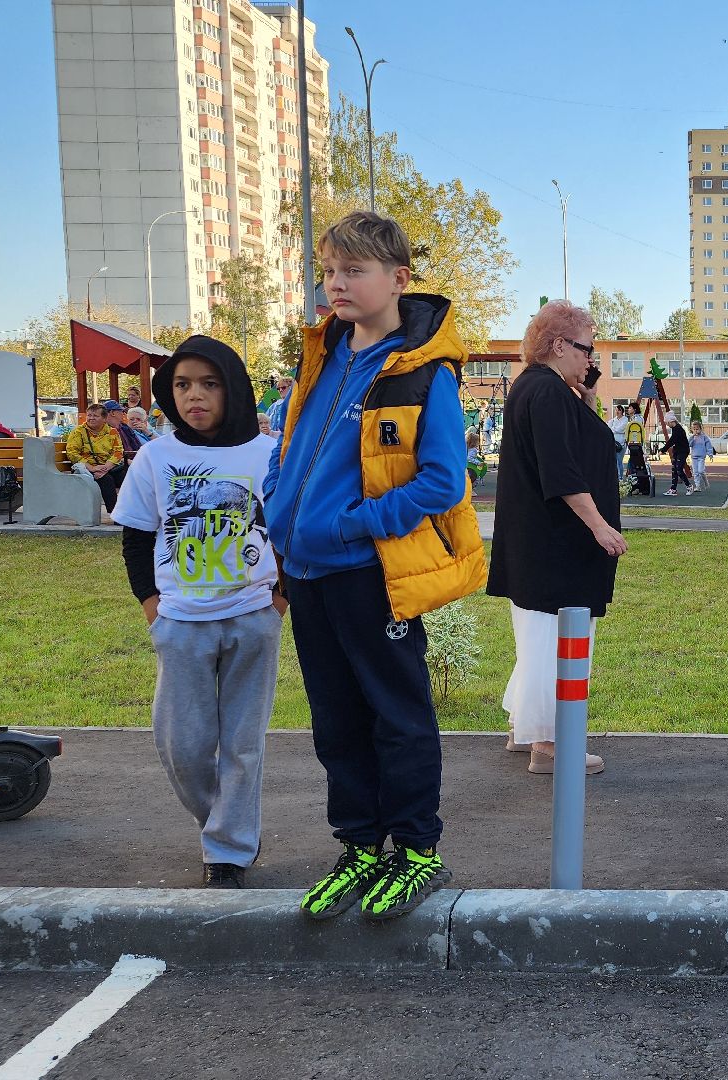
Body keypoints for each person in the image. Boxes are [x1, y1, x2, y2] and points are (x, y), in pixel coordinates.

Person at [265, 210, 485, 923]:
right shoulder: (323, 355)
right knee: (335, 719)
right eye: (329, 271)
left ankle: (416, 849)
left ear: (398, 279)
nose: (336, 284)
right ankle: (359, 844)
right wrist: (277, 502)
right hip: (307, 570)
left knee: (398, 715)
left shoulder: (422, 374)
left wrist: (354, 526)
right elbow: (292, 443)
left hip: (368, 572)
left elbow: (442, 481)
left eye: (353, 271)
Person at [116, 335, 282, 889]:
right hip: (180, 621)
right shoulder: (158, 457)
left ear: (233, 388)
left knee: (242, 743)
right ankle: (224, 823)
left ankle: (228, 850)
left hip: (252, 616)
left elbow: (291, 534)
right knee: (181, 746)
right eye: (183, 385)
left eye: (209, 384)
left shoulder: (267, 455)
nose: (195, 396)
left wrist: (279, 603)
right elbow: (137, 537)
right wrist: (151, 606)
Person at [491, 300, 623, 777]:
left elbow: (579, 440)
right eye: (587, 349)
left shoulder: (544, 389)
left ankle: (523, 726)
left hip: (540, 545)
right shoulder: (544, 393)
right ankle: (548, 743)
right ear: (559, 344)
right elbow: (562, 471)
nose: (592, 361)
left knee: (538, 638)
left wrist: (585, 395)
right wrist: (600, 526)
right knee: (557, 639)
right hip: (556, 548)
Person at [66, 403, 126, 510]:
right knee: (106, 480)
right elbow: (72, 453)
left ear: (104, 418)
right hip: (87, 468)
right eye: (89, 415)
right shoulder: (78, 432)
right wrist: (93, 468)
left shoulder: (112, 431)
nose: (91, 418)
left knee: (127, 476)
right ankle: (115, 513)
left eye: (95, 416)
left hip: (108, 467)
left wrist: (105, 468)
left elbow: (118, 451)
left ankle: (133, 512)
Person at [665, 412, 692, 495]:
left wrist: (663, 450)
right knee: (674, 469)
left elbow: (672, 440)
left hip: (683, 451)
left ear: (671, 421)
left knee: (679, 469)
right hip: (677, 450)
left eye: (667, 422)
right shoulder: (674, 428)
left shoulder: (678, 429)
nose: (666, 424)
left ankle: (689, 486)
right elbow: (673, 441)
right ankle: (673, 489)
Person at [688, 421, 715, 491]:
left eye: (697, 429)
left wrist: (710, 454)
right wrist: (692, 437)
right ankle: (697, 486)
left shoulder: (704, 437)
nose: (695, 431)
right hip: (694, 457)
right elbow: (689, 444)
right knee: (695, 472)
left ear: (700, 429)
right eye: (694, 429)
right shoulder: (692, 437)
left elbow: (708, 446)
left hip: (701, 457)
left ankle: (706, 482)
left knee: (701, 471)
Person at [608, 403, 629, 484]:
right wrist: (614, 429)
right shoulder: (613, 420)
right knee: (615, 460)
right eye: (615, 410)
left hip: (621, 443)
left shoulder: (625, 419)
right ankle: (616, 476)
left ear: (621, 411)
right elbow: (609, 428)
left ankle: (620, 477)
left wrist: (614, 428)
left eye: (617, 410)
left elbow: (620, 429)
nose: (616, 411)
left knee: (619, 460)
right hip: (614, 442)